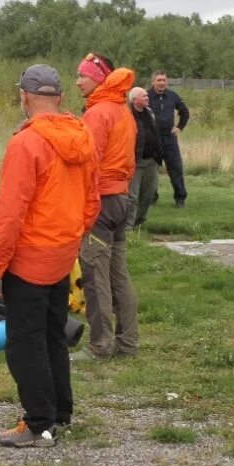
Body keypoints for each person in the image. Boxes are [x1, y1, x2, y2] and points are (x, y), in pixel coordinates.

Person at [0, 64, 99, 448]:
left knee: (25, 342)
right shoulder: (81, 135)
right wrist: (70, 237)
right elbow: (91, 201)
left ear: (24, 97)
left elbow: (10, 213)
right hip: (62, 253)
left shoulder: (26, 143)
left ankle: (38, 425)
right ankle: (59, 414)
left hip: (30, 258)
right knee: (52, 335)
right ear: (61, 98)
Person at [75, 53, 139, 359]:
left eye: (82, 76)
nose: (77, 82)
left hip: (100, 201)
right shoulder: (122, 110)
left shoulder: (98, 113)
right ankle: (128, 344)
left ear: (99, 78)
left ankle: (100, 346)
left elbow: (87, 162)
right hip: (121, 199)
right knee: (118, 275)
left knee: (95, 275)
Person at [147, 71, 190, 208]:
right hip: (152, 140)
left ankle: (180, 199)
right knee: (151, 171)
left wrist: (179, 127)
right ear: (153, 82)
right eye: (158, 80)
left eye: (164, 80)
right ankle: (151, 198)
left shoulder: (172, 96)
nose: (161, 83)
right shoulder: (146, 96)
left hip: (169, 139)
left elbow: (185, 112)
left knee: (175, 169)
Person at [125, 86, 161, 230]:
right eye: (144, 96)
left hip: (152, 161)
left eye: (147, 96)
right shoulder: (127, 115)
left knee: (149, 194)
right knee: (132, 196)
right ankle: (127, 227)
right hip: (136, 161)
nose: (147, 98)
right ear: (134, 100)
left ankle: (138, 222)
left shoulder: (150, 113)